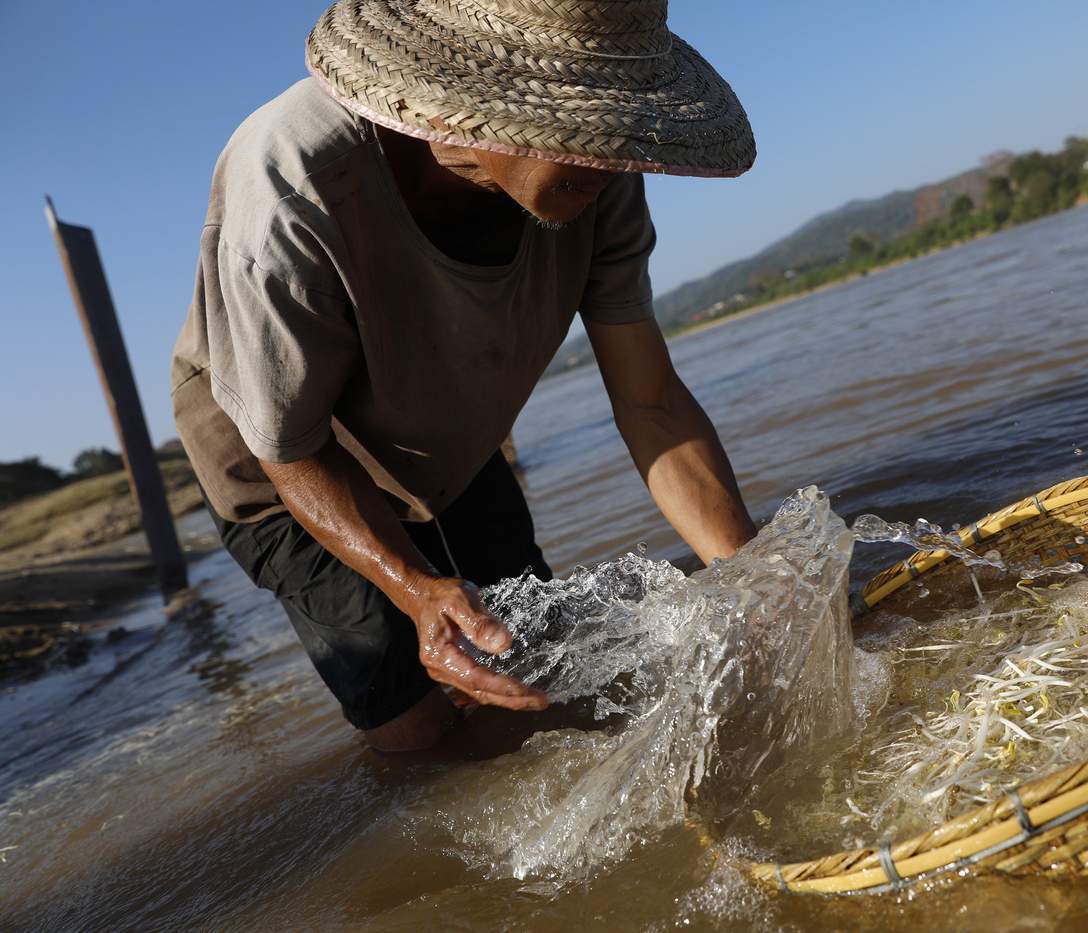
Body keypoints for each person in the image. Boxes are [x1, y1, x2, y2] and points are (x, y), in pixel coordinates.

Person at [170, 0, 758, 752]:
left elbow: (650, 400)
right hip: (287, 457)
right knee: (419, 730)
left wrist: (755, 583)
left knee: (542, 676)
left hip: (443, 429)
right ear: (471, 111)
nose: (617, 159)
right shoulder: (293, 184)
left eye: (619, 126)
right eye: (585, 128)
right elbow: (289, 450)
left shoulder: (600, 170)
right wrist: (416, 592)